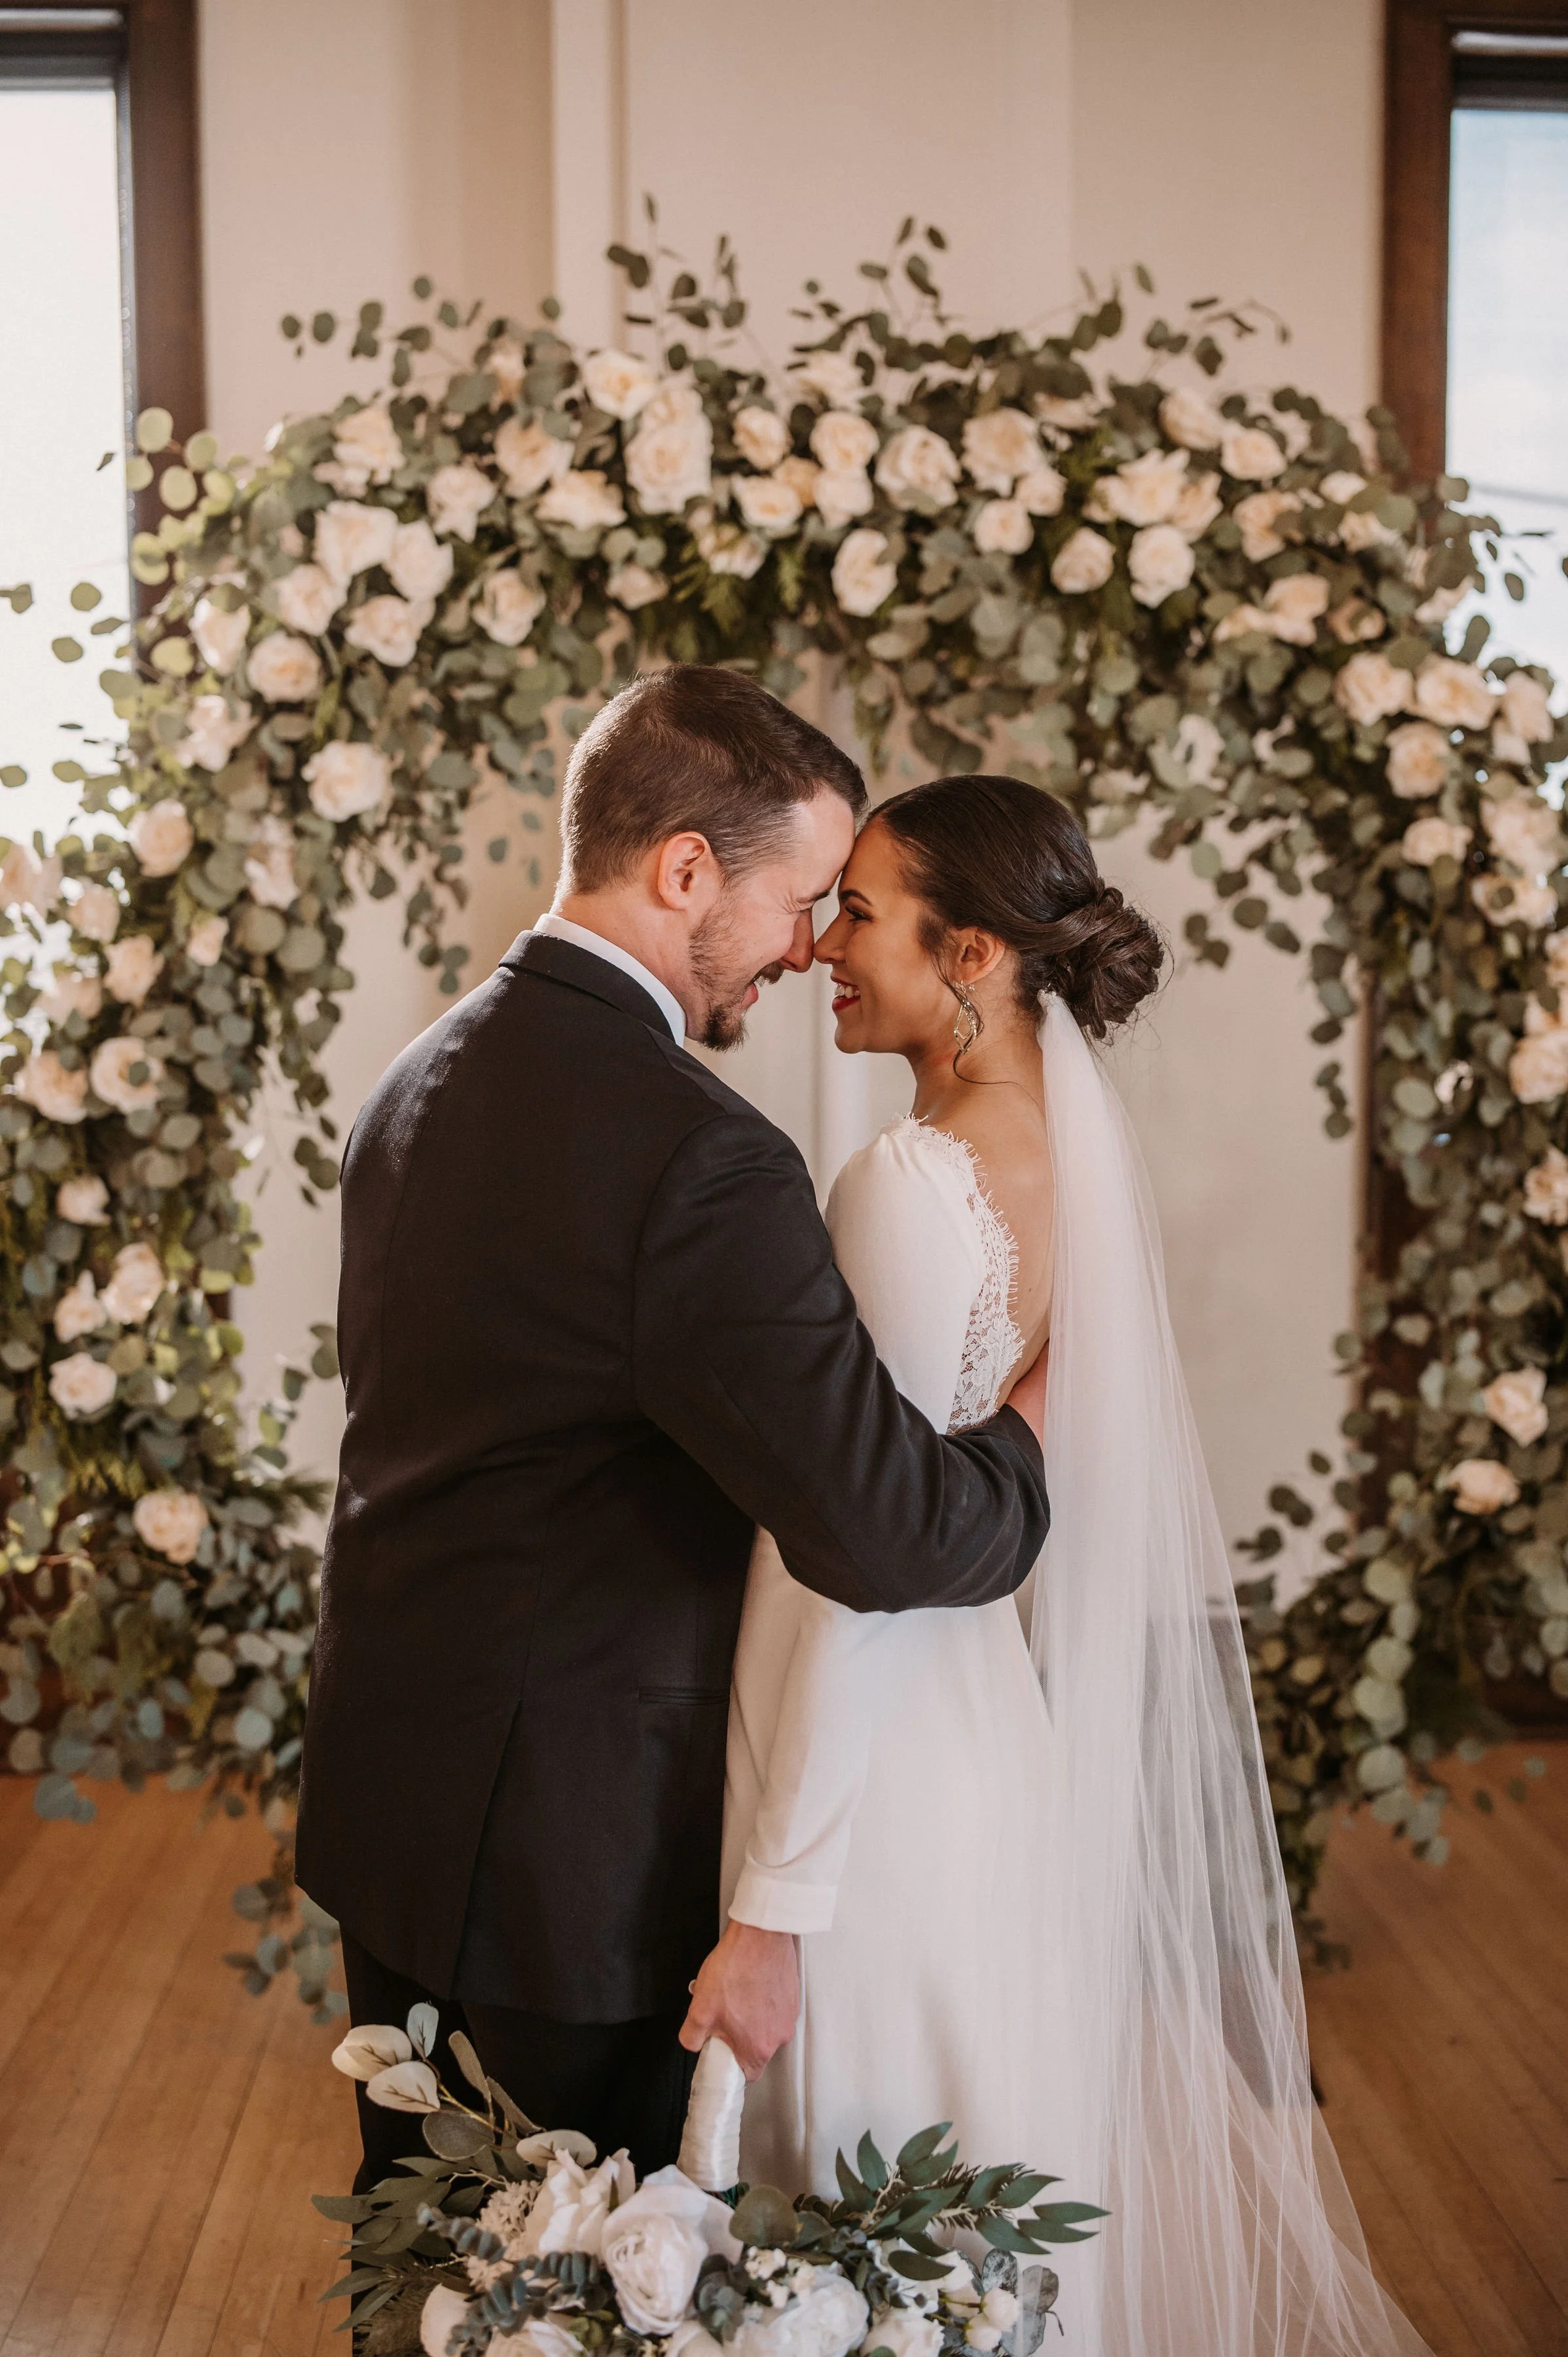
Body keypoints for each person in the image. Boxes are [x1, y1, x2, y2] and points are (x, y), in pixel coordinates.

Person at [293, 670, 1050, 2194]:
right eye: (800, 899)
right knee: (578, 2285)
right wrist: (1032, 1442)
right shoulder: (698, 1160)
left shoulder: (419, 1075)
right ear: (687, 869)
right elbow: (880, 1528)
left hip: (396, 1808)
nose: (807, 944)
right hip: (567, 1870)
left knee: (431, 2261)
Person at [705, 775, 1430, 2356]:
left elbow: (863, 1569)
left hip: (873, 1795)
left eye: (865, 913)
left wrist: (777, 1900)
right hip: (978, 1743)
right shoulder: (1062, 1157)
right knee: (952, 2256)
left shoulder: (910, 1186)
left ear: (969, 953)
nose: (828, 942)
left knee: (852, 2236)